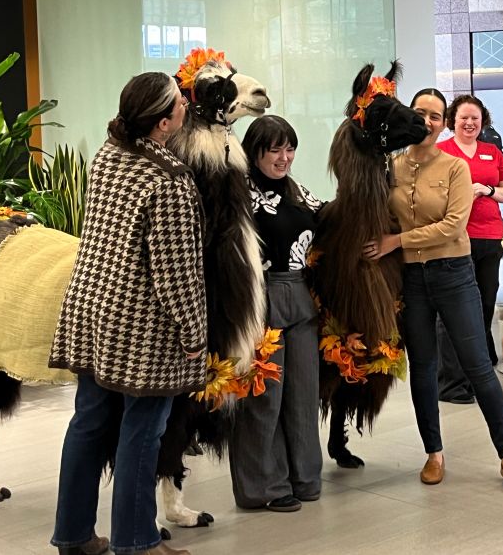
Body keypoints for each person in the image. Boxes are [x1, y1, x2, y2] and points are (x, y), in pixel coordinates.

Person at [49, 73, 206, 555]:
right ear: (164, 123)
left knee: (89, 421)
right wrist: (195, 335)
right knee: (143, 429)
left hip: (91, 307)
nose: (186, 106)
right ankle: (136, 542)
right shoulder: (169, 182)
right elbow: (175, 275)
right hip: (141, 323)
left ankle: (74, 534)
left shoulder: (108, 155)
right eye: (181, 102)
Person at [365, 87, 503, 494]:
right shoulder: (392, 168)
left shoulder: (456, 167)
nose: (427, 121)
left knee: (477, 365)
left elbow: (454, 227)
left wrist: (397, 242)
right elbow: (382, 216)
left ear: (443, 124)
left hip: (454, 273)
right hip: (413, 281)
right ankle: (433, 453)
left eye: (435, 116)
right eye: (420, 113)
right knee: (423, 367)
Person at [229, 115, 324, 512]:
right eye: (275, 150)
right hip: (258, 301)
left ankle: (305, 476)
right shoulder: (239, 195)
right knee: (264, 397)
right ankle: (264, 486)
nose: (284, 157)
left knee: (304, 393)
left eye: (289, 148)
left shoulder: (297, 190)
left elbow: (326, 218)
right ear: (255, 152)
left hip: (300, 296)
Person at [435, 95, 503, 403]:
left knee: (484, 307)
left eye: (475, 119)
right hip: (456, 238)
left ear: (483, 122)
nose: (469, 123)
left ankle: (476, 375)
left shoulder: (491, 152)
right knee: (455, 311)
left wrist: (488, 190)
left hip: (490, 237)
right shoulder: (441, 152)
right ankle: (452, 381)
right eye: (463, 118)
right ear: (452, 120)